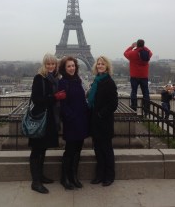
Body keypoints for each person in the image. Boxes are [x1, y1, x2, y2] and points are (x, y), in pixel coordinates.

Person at [28, 53, 65, 194]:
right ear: (44, 64)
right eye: (48, 64)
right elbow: (37, 99)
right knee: (36, 150)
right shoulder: (39, 78)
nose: (50, 66)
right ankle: (35, 182)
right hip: (40, 119)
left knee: (42, 149)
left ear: (56, 65)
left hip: (49, 120)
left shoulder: (55, 79)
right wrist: (54, 97)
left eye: (53, 64)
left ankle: (40, 176)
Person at [58, 56, 89, 190]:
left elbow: (83, 101)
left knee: (78, 150)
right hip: (71, 122)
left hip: (81, 120)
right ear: (64, 69)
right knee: (70, 151)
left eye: (73, 66)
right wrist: (70, 117)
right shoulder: (62, 83)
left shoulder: (78, 80)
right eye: (68, 66)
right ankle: (65, 177)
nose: (71, 68)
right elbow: (62, 105)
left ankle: (74, 176)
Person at [88, 56, 118, 187]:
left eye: (102, 64)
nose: (100, 66)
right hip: (95, 122)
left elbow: (113, 104)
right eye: (98, 64)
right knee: (98, 150)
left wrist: (100, 114)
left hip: (103, 122)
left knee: (106, 149)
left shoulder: (109, 82)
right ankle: (100, 175)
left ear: (107, 67)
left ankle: (109, 176)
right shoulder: (96, 81)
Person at [123, 39, 153, 114]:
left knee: (134, 92)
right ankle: (146, 109)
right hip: (144, 76)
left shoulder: (132, 53)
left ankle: (134, 107)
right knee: (146, 92)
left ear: (137, 44)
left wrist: (132, 46)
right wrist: (143, 47)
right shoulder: (147, 54)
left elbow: (125, 53)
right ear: (143, 45)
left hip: (134, 76)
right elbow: (150, 52)